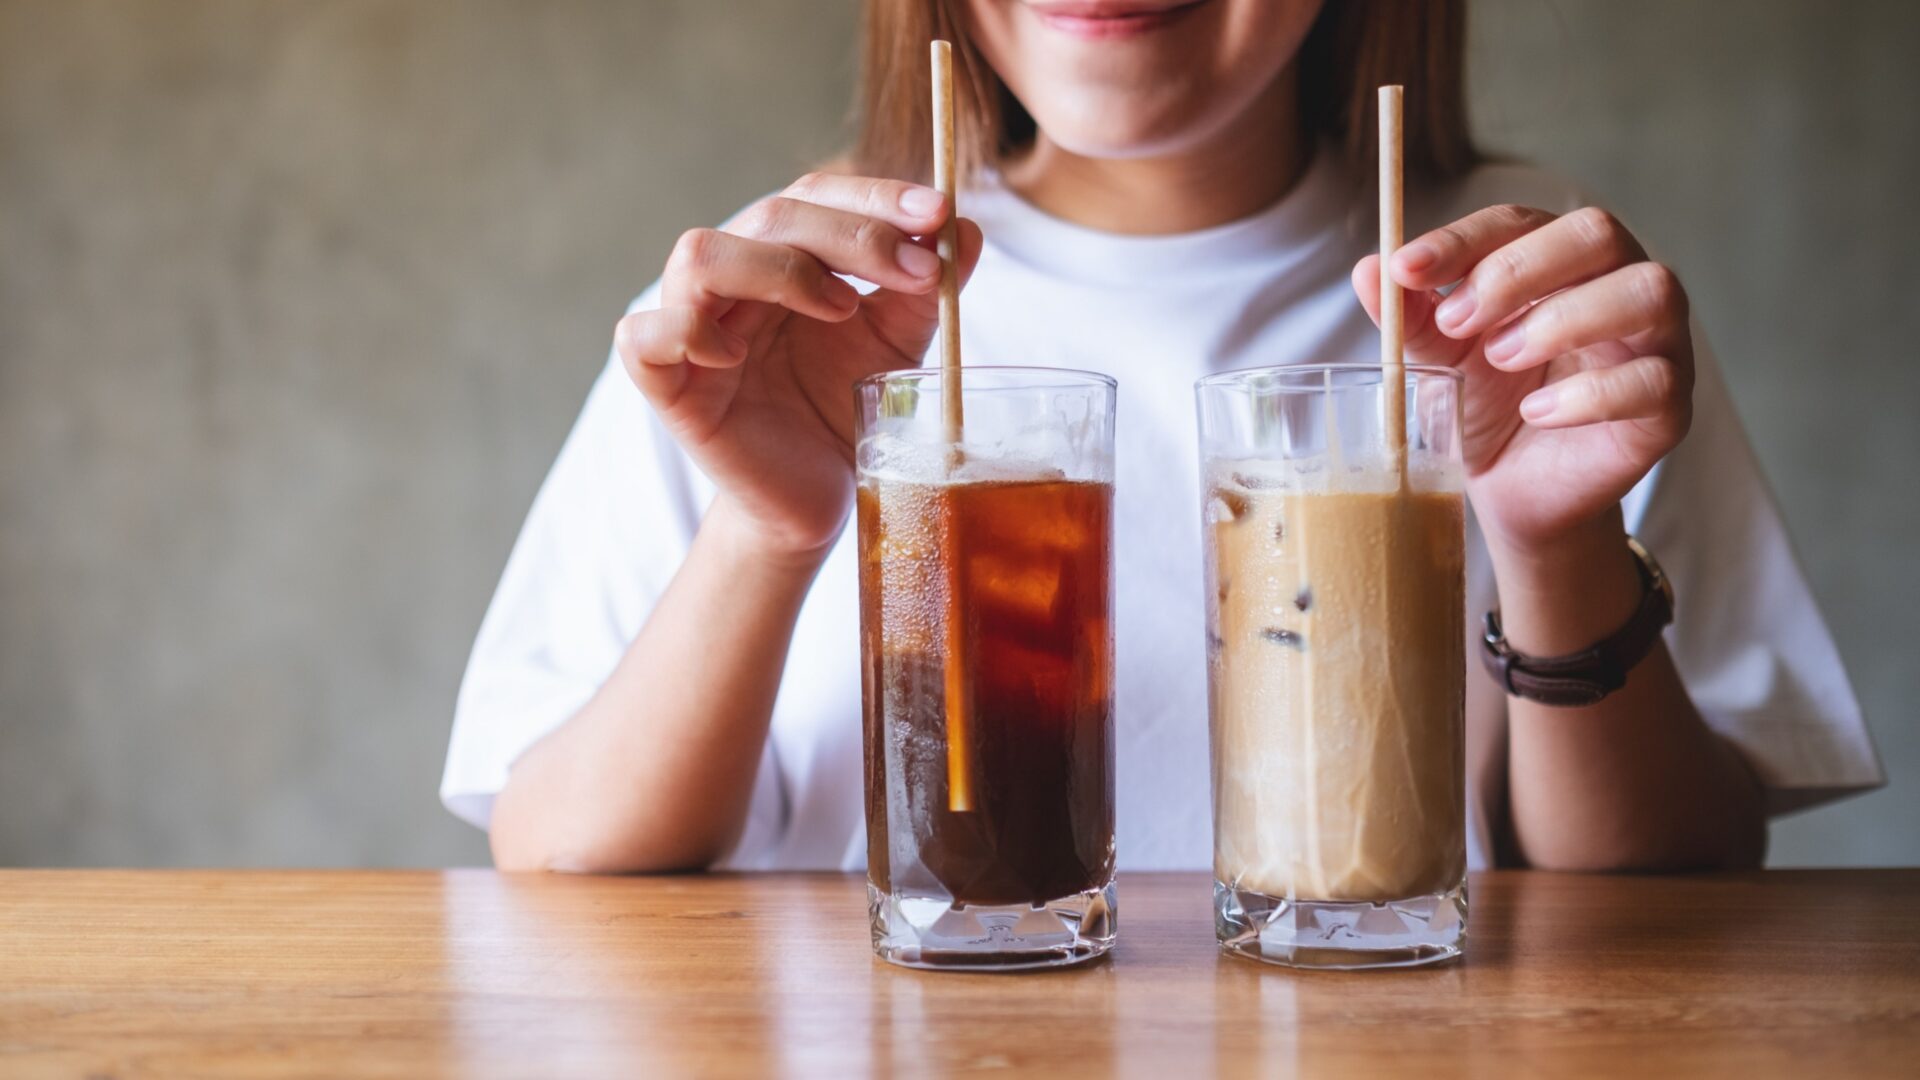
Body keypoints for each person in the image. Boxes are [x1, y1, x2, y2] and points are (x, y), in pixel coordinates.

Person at [441, 0, 1881, 874]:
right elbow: (558, 843)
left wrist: (1555, 545)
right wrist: (767, 532)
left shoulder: (1537, 293)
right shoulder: (792, 297)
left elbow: (1675, 877)